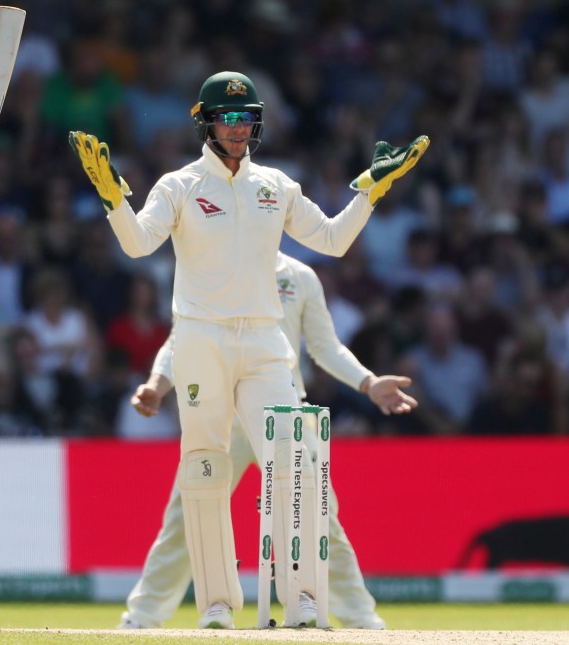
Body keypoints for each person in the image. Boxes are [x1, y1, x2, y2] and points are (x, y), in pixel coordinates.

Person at [69, 70, 427, 628]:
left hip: (263, 341)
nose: (238, 128)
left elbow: (332, 239)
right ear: (206, 123)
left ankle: (304, 600)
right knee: (204, 469)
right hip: (200, 338)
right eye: (227, 118)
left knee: (295, 461)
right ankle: (215, 606)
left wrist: (369, 193)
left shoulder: (276, 185)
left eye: (246, 118)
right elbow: (138, 244)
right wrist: (113, 198)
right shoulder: (179, 185)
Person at [119, 251, 416, 630]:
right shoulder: (211, 265)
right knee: (186, 518)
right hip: (223, 416)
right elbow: (182, 338)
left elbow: (325, 346)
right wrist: (157, 385)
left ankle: (361, 620)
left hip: (286, 413)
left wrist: (368, 382)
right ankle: (141, 619)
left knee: (320, 518)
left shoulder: (300, 276)